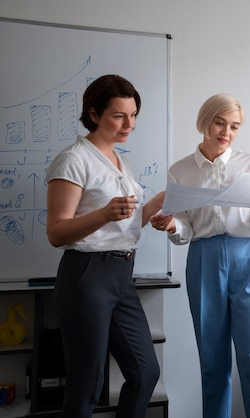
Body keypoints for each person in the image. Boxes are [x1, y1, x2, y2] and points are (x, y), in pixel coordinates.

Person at [149, 93, 250, 418]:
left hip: (249, 256)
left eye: (234, 126)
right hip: (204, 259)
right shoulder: (180, 170)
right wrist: (170, 225)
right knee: (212, 360)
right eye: (220, 122)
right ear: (204, 121)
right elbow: (187, 227)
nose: (226, 132)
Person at [45, 74, 163, 418]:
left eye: (134, 115)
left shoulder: (120, 161)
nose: (130, 124)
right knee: (88, 384)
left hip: (121, 274)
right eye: (119, 115)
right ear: (94, 113)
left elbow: (119, 227)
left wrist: (153, 206)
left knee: (145, 372)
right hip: (87, 275)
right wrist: (105, 212)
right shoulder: (73, 160)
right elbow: (56, 232)